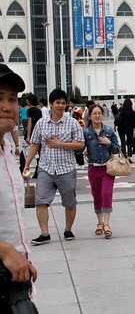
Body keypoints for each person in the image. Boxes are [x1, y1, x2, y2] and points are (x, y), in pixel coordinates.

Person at [0, 63, 39, 313]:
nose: (7, 106)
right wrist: (5, 252)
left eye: (12, 99)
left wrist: (19, 256)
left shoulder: (5, 145)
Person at [23, 89, 85, 245]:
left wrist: (60, 144)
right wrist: (27, 164)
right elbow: (35, 144)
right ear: (51, 104)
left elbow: (80, 144)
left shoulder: (72, 122)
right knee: (40, 200)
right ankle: (44, 233)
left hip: (66, 169)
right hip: (46, 168)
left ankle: (68, 229)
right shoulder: (41, 123)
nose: (61, 105)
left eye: (63, 103)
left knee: (70, 202)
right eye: (57, 102)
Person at [83, 104, 120, 238]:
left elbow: (117, 149)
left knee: (106, 194)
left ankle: (106, 224)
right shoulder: (86, 133)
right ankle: (99, 222)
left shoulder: (109, 131)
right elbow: (79, 149)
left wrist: (108, 142)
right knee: (97, 196)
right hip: (93, 168)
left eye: (99, 113)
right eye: (95, 113)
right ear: (90, 116)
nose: (97, 116)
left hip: (108, 168)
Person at [115, 98, 135, 163]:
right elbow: (133, 122)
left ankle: (124, 157)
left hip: (121, 128)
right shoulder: (132, 112)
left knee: (123, 142)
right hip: (129, 128)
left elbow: (117, 118)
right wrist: (134, 130)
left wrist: (115, 125)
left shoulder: (121, 110)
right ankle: (129, 157)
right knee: (129, 142)